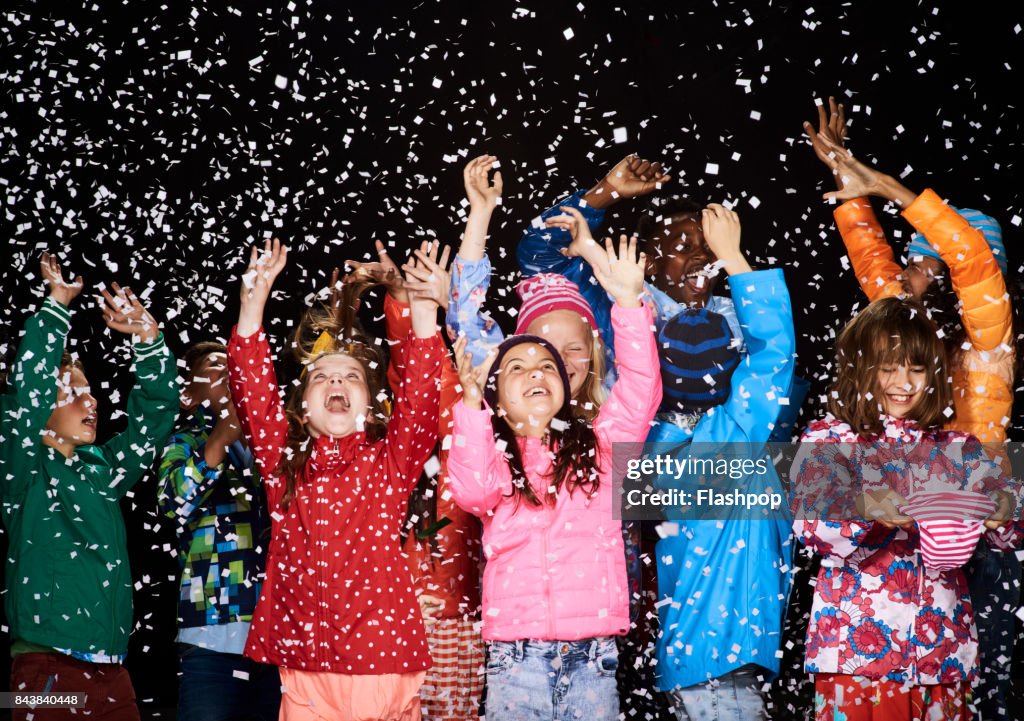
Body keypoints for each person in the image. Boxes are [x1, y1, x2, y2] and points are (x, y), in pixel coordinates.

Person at [804, 97, 1018, 719]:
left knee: (984, 696)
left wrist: (891, 188)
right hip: (880, 588)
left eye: (929, 268)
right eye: (914, 266)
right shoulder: (904, 341)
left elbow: (973, 266)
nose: (910, 279)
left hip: (971, 552)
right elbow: (876, 268)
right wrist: (850, 193)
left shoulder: (985, 345)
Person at [227, 239, 444, 720]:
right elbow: (253, 395)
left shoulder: (390, 463)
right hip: (304, 666)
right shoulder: (285, 465)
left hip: (379, 661)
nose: (337, 384)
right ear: (302, 406)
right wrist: (251, 307)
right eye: (322, 378)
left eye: (351, 377)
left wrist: (424, 315)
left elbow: (422, 402)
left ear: (371, 405)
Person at [445, 234, 660, 720]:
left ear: (565, 387)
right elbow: (472, 490)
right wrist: (471, 407)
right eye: (517, 367)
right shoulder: (495, 453)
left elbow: (641, 389)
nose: (536, 371)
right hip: (513, 659)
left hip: (594, 659)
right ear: (500, 394)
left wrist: (627, 303)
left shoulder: (603, 448)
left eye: (547, 365)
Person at [791, 296, 1019, 721]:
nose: (905, 382)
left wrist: (1004, 510)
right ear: (860, 368)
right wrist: (867, 506)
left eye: (916, 369)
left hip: (943, 658)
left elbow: (1011, 530)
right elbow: (811, 526)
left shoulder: (957, 447)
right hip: (853, 659)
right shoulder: (828, 438)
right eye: (889, 367)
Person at [2, 253, 178, 720]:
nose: (91, 399)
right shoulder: (23, 470)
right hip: (44, 669)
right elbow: (27, 391)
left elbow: (153, 422)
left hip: (114, 675)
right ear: (41, 413)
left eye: (92, 390)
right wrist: (57, 305)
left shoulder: (102, 471)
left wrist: (150, 342)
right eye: (73, 390)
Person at [641, 206, 796, 720]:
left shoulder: (645, 450)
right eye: (684, 243)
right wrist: (734, 258)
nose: (700, 254)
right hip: (724, 666)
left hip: (692, 663)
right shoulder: (735, 435)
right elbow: (773, 354)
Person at [345, 239, 485, 721]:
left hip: (453, 618)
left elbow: (429, 381)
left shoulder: (454, 451)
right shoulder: (363, 456)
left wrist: (408, 307)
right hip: (380, 623)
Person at [157, 341, 281, 721]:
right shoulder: (184, 443)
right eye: (213, 365)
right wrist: (222, 437)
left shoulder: (272, 445)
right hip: (210, 639)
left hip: (277, 638)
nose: (227, 370)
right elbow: (172, 504)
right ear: (188, 397)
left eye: (232, 364)